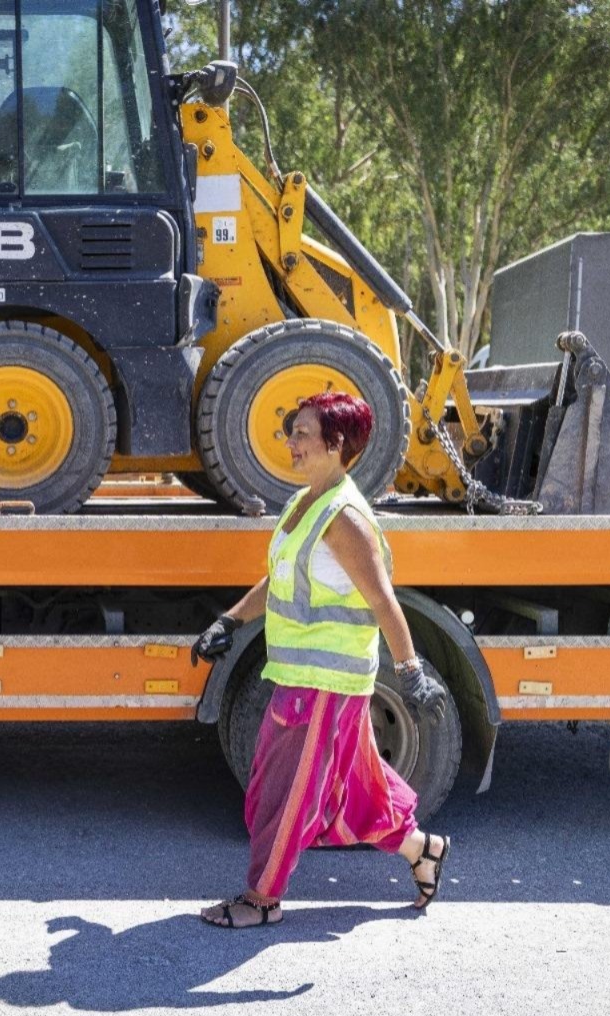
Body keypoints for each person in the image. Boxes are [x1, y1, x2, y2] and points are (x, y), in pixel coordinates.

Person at [192, 391, 452, 928]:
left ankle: (262, 901)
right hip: (301, 676)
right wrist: (229, 620)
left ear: (336, 444)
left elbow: (383, 599)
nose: (291, 443)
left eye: (302, 434)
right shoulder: (304, 502)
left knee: (285, 793)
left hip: (327, 683)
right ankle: (422, 849)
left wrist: (411, 673)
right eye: (293, 432)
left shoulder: (346, 516)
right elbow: (280, 577)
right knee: (353, 791)